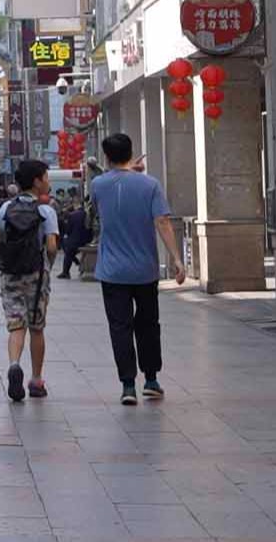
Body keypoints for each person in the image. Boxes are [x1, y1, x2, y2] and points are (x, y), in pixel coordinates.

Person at [90, 132, 185, 406]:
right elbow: (163, 223)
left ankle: (128, 385)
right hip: (145, 270)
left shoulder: (97, 185)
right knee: (148, 325)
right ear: (131, 153)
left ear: (107, 157)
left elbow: (99, 210)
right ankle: (152, 380)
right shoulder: (150, 185)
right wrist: (177, 259)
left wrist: (125, 172)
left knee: (120, 327)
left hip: (111, 271)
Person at [0, 160, 59, 404]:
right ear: (37, 181)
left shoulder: (6, 208)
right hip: (37, 276)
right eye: (46, 177)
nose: (48, 182)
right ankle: (36, 379)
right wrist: (48, 264)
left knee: (16, 325)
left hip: (10, 275)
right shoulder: (46, 211)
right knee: (36, 327)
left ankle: (13, 364)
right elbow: (51, 246)